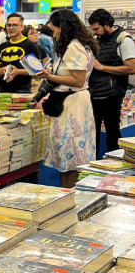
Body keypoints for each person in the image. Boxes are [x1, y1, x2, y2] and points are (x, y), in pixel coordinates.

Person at [35, 10, 98, 188]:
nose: (53, 34)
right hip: (73, 103)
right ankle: (67, 192)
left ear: (63, 27)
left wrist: (49, 77)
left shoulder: (74, 47)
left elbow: (78, 80)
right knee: (70, 156)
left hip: (72, 106)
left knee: (71, 153)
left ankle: (70, 193)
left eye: (54, 29)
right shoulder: (79, 45)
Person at [88, 9, 135, 157]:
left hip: (111, 95)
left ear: (107, 25)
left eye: (97, 29)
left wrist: (102, 67)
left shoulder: (123, 39)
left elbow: (131, 68)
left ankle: (114, 171)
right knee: (91, 135)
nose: (94, 32)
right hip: (93, 94)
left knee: (112, 136)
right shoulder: (98, 40)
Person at [0, 13, 42, 94]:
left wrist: (18, 71)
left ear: (22, 27)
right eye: (9, 25)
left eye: (15, 25)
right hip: (3, 90)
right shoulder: (2, 47)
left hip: (23, 90)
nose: (11, 28)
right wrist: (2, 70)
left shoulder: (29, 45)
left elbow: (37, 70)